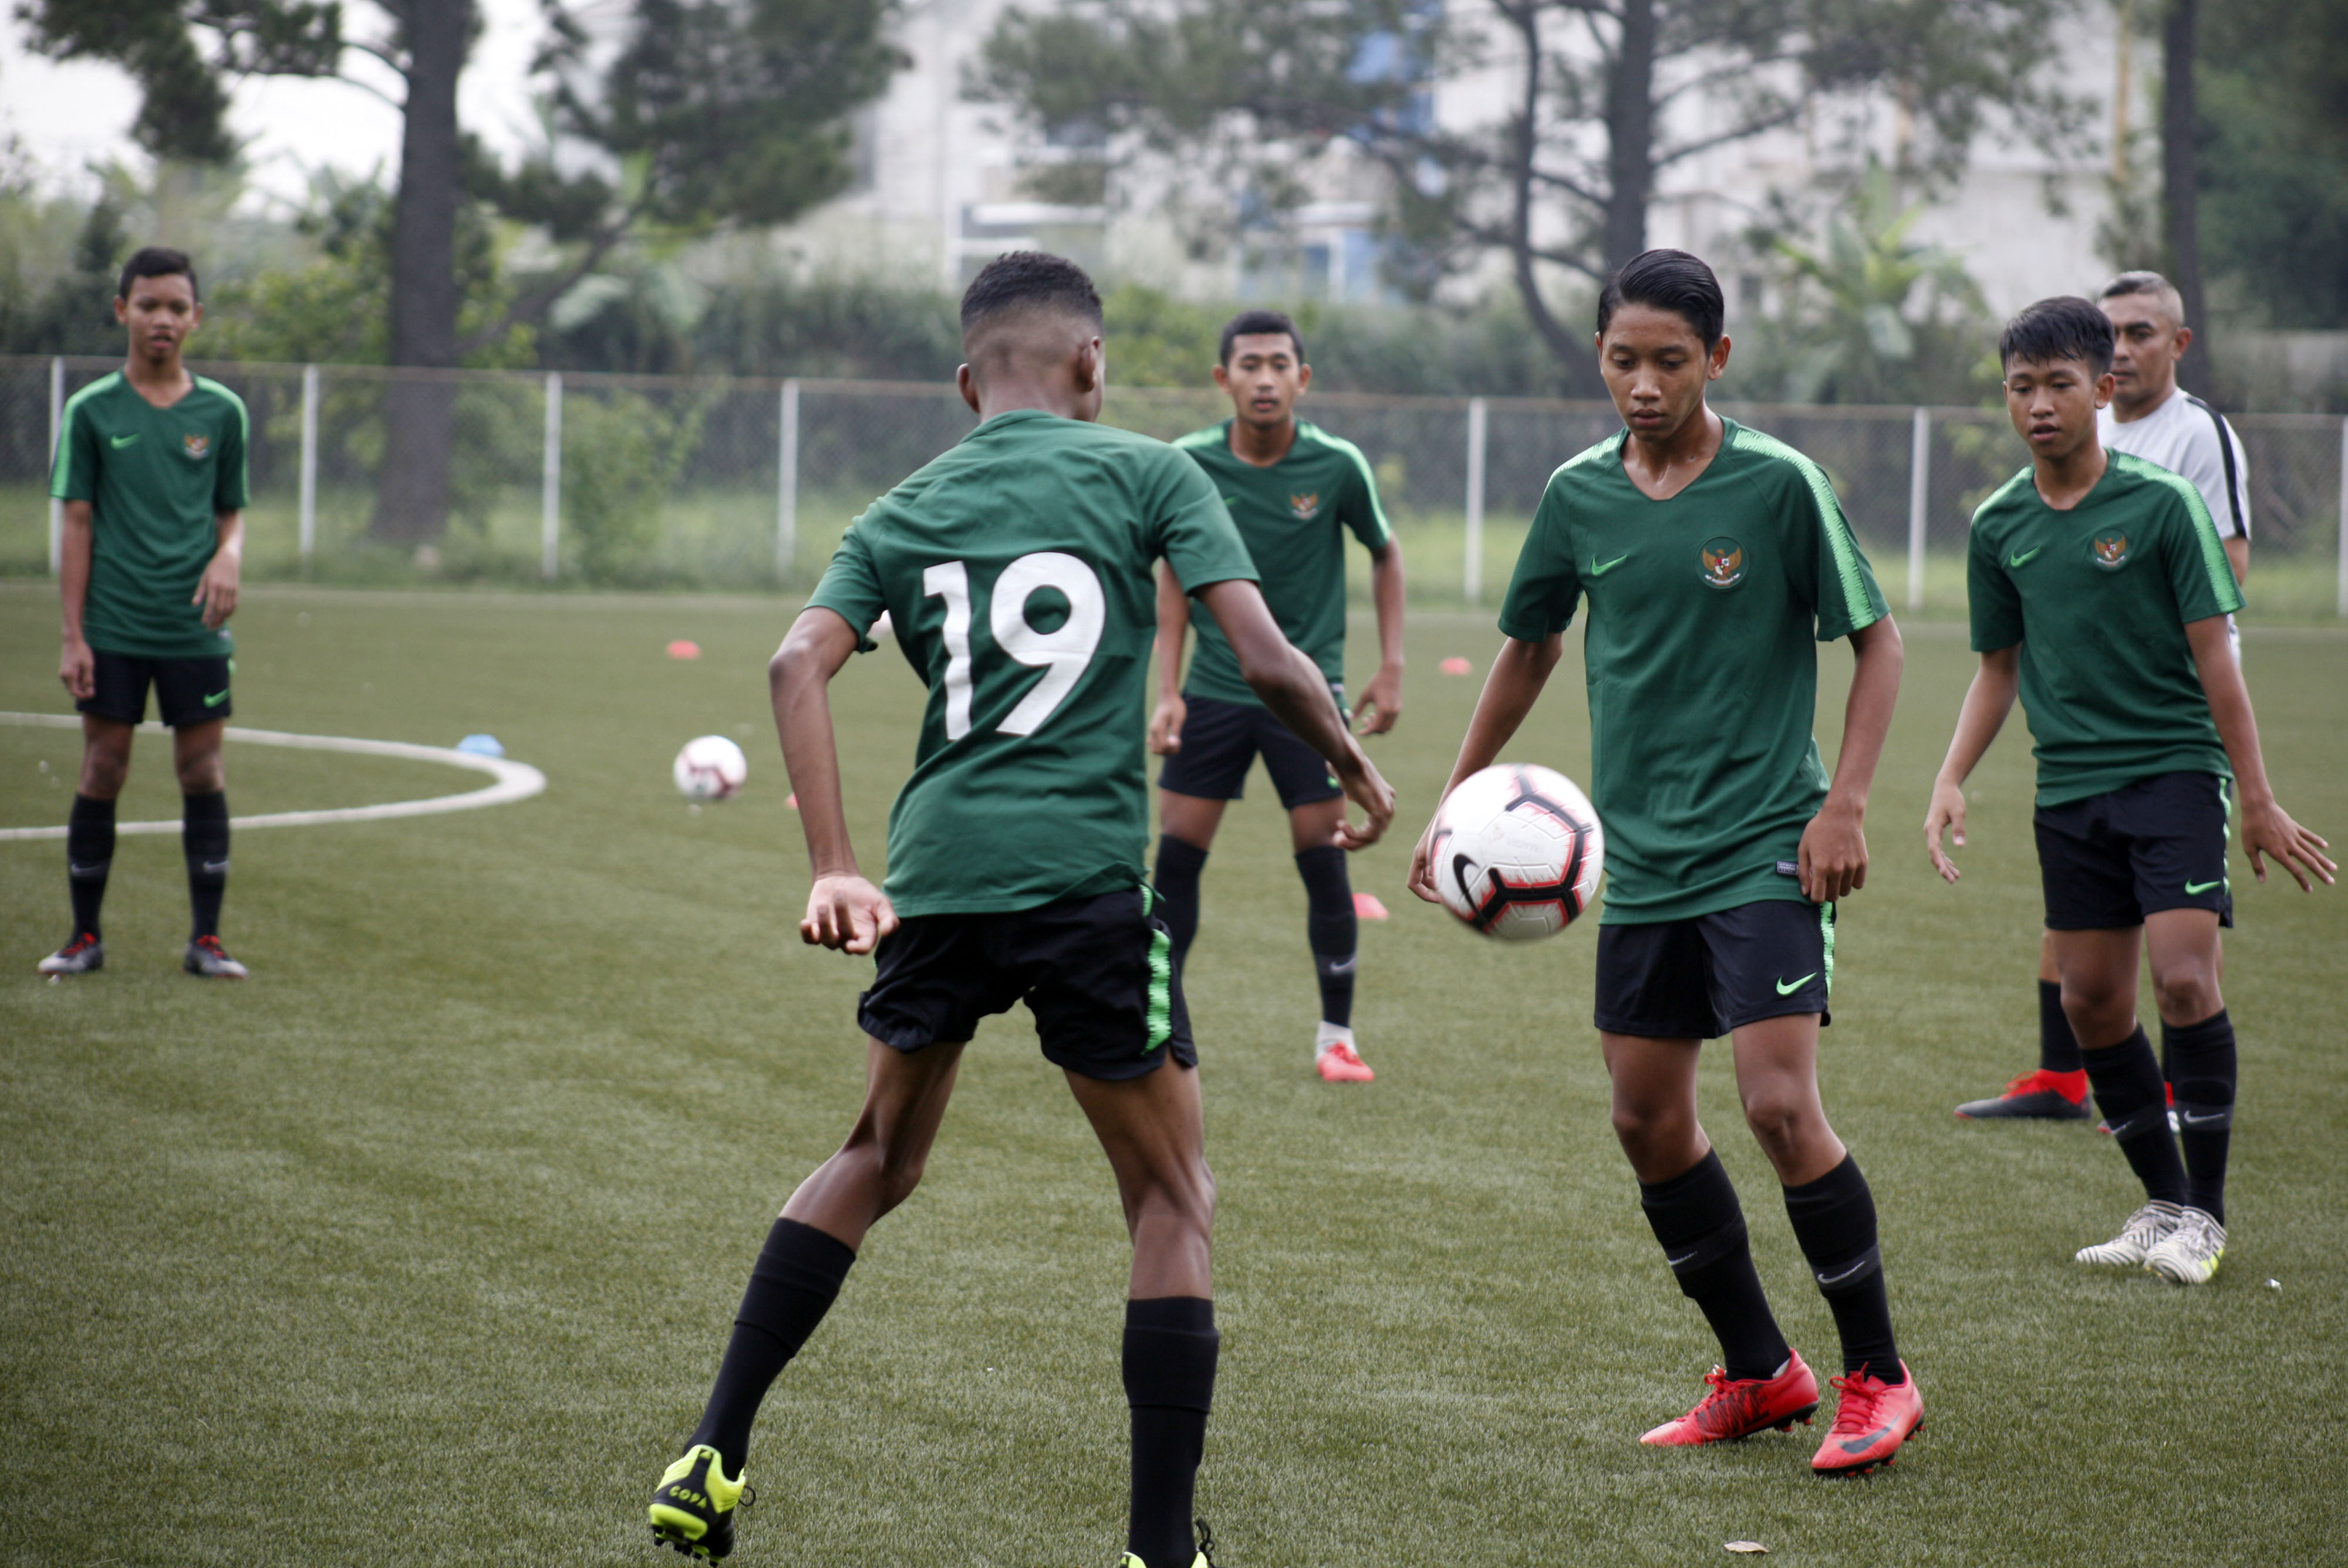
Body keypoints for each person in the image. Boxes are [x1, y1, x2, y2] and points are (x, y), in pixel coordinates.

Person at [644, 254, 1394, 1564]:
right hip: (1083, 881)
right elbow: (1264, 655)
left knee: (875, 1159)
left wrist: (832, 861)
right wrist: (1349, 758)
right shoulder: (1153, 471)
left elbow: (790, 663)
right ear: (1091, 367)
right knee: (1171, 1197)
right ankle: (1160, 1546)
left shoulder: (902, 506)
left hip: (933, 881)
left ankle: (713, 1449)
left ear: (962, 380)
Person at [1406, 249, 1920, 1477]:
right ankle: (1758, 1369)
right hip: (1633, 857)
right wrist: (1451, 803)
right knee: (1645, 1120)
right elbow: (1527, 647)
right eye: (1622, 360)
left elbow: (1879, 642)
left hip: (1761, 843)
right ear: (1598, 357)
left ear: (1717, 360)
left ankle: (1878, 1376)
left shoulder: (1779, 486)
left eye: (1669, 361)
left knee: (1777, 1105)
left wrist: (1842, 805)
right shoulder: (1575, 495)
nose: (1642, 384)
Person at [1925, 296, 2331, 1285]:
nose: (2040, 405)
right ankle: (2159, 1198)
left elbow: (2216, 660)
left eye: (2061, 384)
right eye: (2022, 387)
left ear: (2104, 391)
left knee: (2185, 978)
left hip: (2173, 774)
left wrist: (2260, 798)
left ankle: (2210, 1216)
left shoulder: (2160, 504)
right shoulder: (2000, 524)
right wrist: (1948, 776)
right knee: (2092, 1000)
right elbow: (1997, 667)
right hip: (2068, 791)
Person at [1955, 270, 2256, 1122]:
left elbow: (2222, 576)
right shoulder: (2008, 514)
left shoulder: (2194, 440)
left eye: (2139, 331)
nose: (2124, 343)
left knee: (2183, 960)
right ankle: (2066, 1080)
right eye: (2113, 328)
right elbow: (1999, 661)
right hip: (2078, 746)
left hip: (2174, 719)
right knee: (2086, 956)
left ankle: (2183, 1109)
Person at [1149, 309, 1406, 1083]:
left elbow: (1386, 554)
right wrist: (1168, 690)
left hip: (1308, 697)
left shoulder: (1336, 465)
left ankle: (1336, 1036)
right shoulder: (1186, 464)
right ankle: (1158, 1023)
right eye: (1250, 365)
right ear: (1223, 379)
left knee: (1323, 864)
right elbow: (1170, 575)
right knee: (1175, 866)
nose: (1265, 379)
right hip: (1215, 693)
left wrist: (1391, 665)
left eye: (1279, 364)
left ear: (1303, 378)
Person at [41, 245, 248, 980]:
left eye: (177, 307)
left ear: (196, 317)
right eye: (149, 304)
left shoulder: (222, 413)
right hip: (114, 626)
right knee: (103, 765)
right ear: (122, 309)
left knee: (201, 767)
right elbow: (77, 526)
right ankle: (84, 938)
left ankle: (208, 941)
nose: (163, 318)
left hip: (193, 628)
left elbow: (232, 514)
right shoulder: (93, 409)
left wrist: (229, 554)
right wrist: (73, 636)